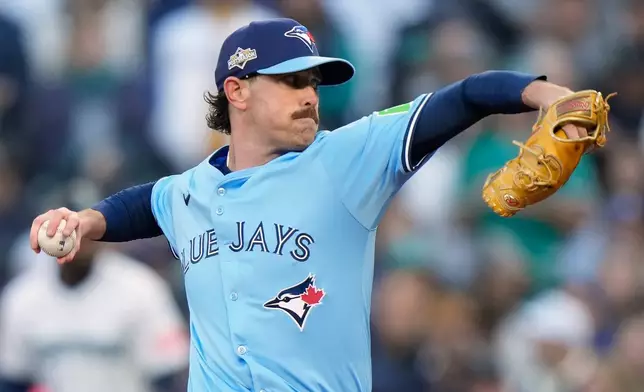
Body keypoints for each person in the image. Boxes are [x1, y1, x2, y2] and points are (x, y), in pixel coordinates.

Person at [28, 17, 593, 392]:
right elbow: (143, 206)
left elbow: (462, 97)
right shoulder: (189, 191)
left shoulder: (347, 159)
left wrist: (545, 94)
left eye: (314, 84)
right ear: (238, 91)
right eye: (290, 81)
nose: (308, 96)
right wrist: (85, 220)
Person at [0, 223, 189, 392]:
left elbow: (169, 374)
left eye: (83, 231)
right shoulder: (22, 296)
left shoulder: (140, 287)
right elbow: (14, 378)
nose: (78, 240)